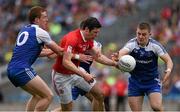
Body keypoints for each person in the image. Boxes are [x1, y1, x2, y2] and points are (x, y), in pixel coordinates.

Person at [51, 17, 118, 111]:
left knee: (99, 95)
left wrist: (114, 64)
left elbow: (97, 56)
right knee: (67, 109)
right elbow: (66, 62)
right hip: (62, 76)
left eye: (98, 32)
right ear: (86, 29)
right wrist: (84, 74)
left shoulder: (89, 39)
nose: (97, 35)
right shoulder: (72, 39)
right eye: (95, 32)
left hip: (76, 73)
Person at [6, 6, 65, 111]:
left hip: (11, 69)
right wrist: (71, 50)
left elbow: (43, 54)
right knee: (48, 96)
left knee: (37, 96)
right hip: (22, 69)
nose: (47, 20)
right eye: (44, 17)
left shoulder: (25, 29)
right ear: (37, 20)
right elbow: (59, 51)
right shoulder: (41, 32)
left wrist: (56, 51)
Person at [112, 22, 173, 111]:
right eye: (138, 34)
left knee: (156, 107)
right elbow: (121, 53)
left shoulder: (155, 46)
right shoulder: (131, 44)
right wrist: (119, 62)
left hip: (152, 81)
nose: (140, 37)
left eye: (144, 34)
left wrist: (168, 70)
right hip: (135, 82)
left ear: (150, 35)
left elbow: (169, 60)